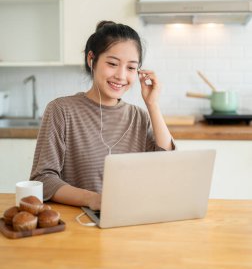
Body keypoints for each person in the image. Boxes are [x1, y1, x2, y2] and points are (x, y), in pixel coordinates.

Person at [30, 21, 175, 210]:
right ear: (92, 59)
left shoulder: (139, 117)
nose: (121, 76)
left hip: (129, 219)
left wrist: (152, 104)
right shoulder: (61, 110)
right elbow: (43, 180)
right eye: (113, 64)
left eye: (131, 68)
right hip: (78, 223)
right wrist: (94, 200)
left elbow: (167, 165)